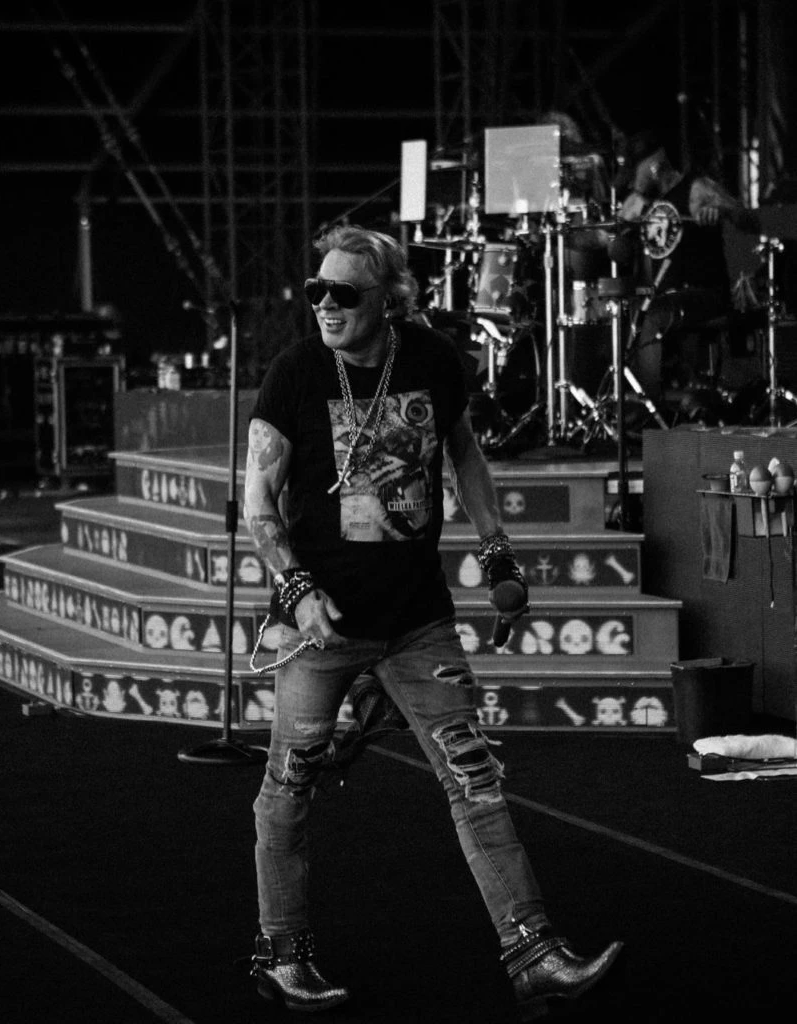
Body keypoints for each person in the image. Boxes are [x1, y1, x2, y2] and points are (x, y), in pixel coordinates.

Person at [242, 224, 623, 1019]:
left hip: (418, 621)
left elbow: (466, 455)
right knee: (288, 787)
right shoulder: (295, 373)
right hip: (321, 628)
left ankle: (534, 953)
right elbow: (259, 505)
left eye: (344, 293)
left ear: (389, 299)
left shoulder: (432, 360)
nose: (325, 305)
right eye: (316, 290)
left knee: (474, 778)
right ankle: (281, 955)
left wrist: (498, 553)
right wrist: (297, 590)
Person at [617, 133, 761, 403]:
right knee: (630, 308)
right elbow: (611, 247)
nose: (631, 183)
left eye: (635, 173)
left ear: (654, 166)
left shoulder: (697, 189)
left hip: (705, 294)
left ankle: (650, 405)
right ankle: (642, 398)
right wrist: (620, 229)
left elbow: (751, 221)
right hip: (664, 297)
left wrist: (721, 211)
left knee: (652, 313)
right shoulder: (638, 202)